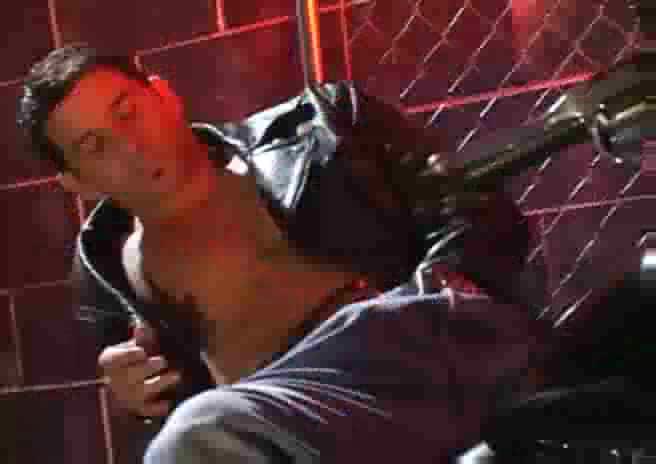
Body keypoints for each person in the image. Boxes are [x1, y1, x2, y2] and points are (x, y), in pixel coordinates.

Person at [18, 43, 551, 462]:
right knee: (191, 440)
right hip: (314, 421)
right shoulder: (107, 274)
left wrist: (438, 294)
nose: (130, 145)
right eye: (96, 145)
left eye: (128, 112)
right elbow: (198, 412)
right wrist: (138, 397)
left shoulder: (322, 125)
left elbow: (476, 213)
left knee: (197, 433)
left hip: (429, 336)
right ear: (77, 183)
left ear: (164, 95)